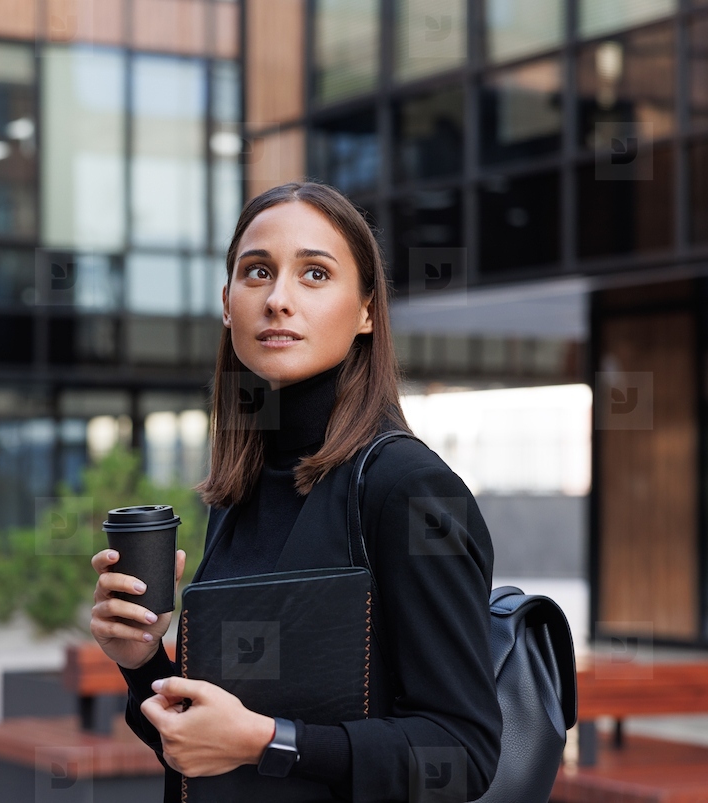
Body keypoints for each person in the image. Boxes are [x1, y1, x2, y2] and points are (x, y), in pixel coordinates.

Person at [89, 181, 502, 802]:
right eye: (257, 272)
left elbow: (462, 755)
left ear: (366, 310)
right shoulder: (240, 491)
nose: (278, 299)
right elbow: (205, 751)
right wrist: (142, 659)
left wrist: (268, 741)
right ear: (228, 302)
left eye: (314, 274)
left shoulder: (409, 490)